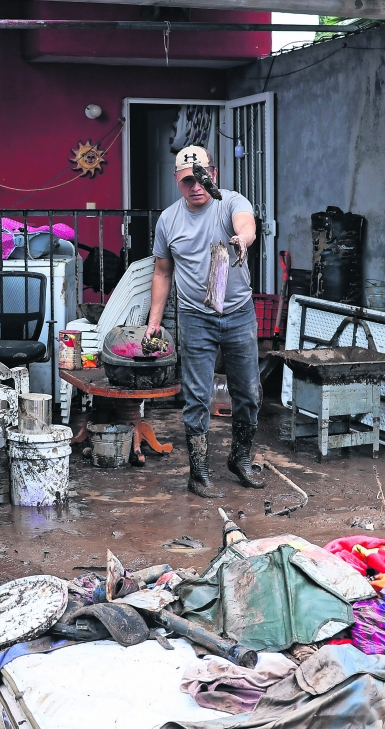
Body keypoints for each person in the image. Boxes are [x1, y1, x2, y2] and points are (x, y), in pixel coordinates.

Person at [146, 145, 265, 498]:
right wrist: (154, 321)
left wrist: (241, 240)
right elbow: (162, 271)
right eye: (187, 181)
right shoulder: (168, 220)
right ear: (176, 182)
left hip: (239, 313)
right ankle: (198, 473)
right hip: (196, 317)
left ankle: (239, 459)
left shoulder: (231, 202)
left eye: (202, 178)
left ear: (214, 173)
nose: (196, 186)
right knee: (197, 396)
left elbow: (248, 225)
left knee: (248, 392)